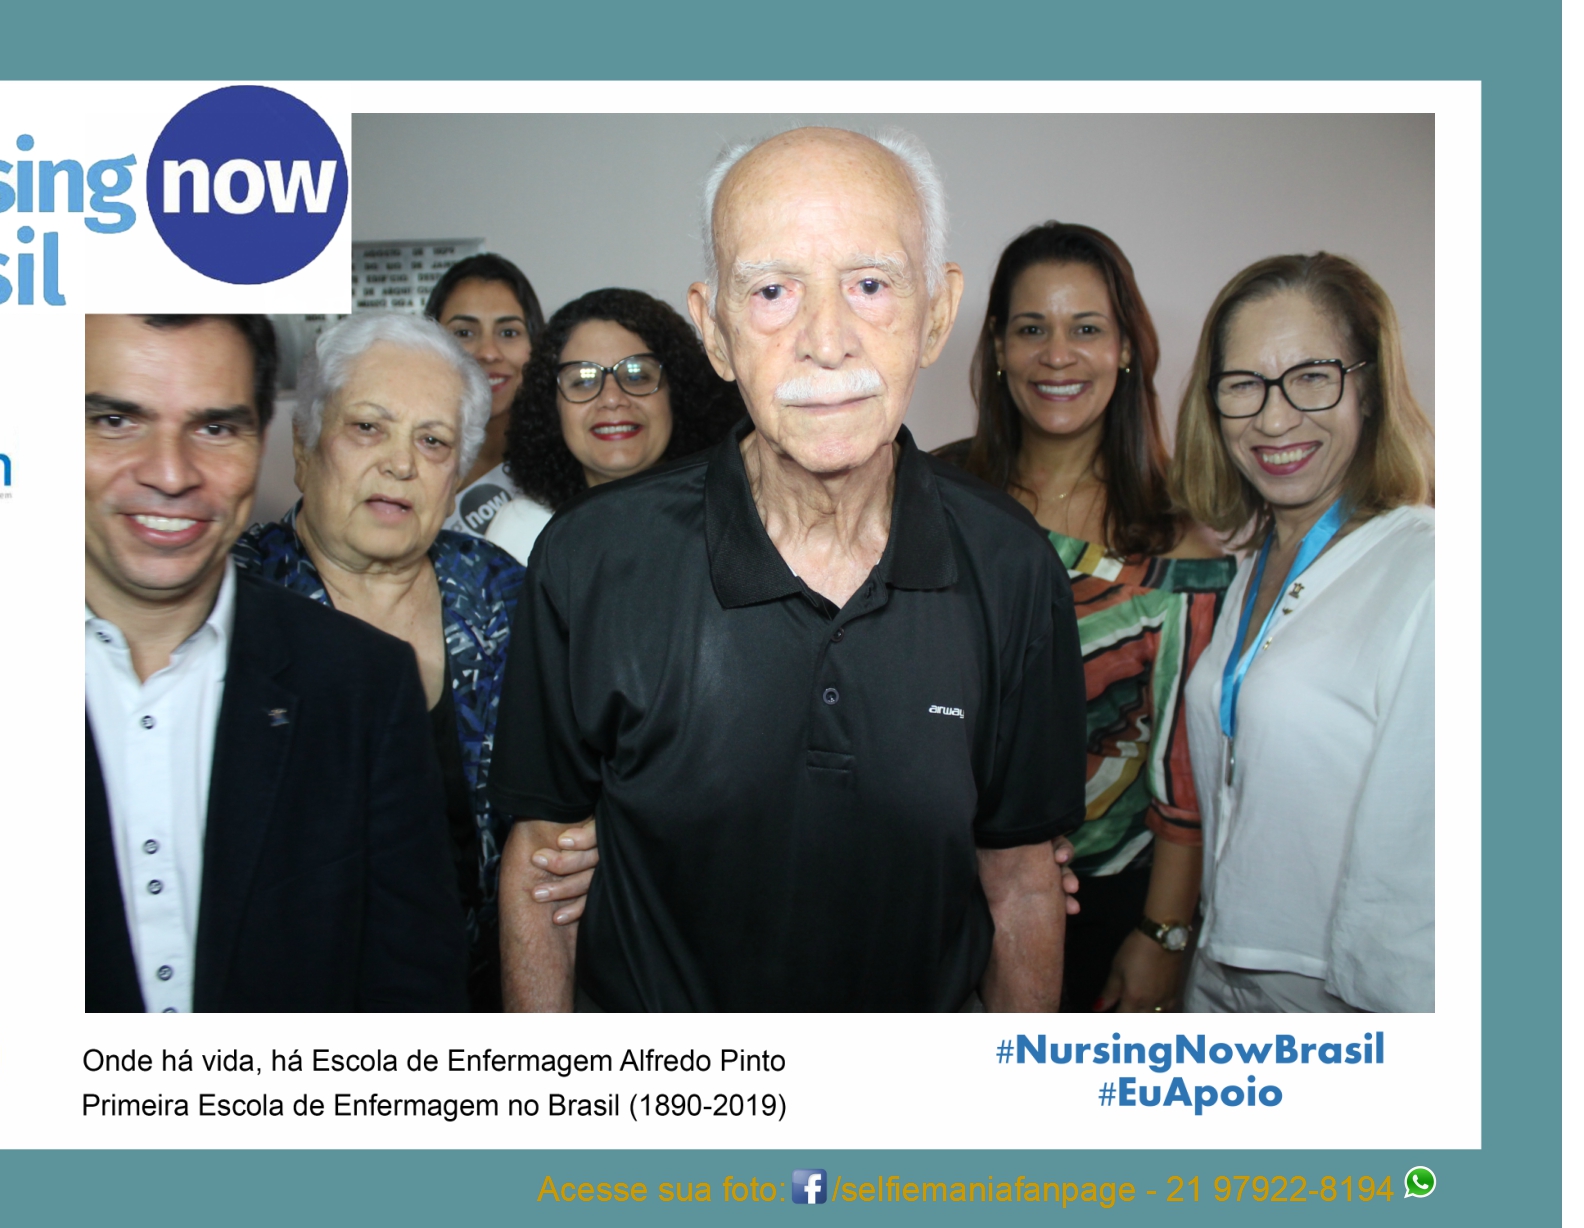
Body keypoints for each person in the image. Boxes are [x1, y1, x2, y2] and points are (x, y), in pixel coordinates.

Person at [491, 127, 1086, 1012]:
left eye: (870, 284)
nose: (827, 341)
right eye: (772, 290)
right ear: (714, 331)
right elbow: (543, 873)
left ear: (935, 312)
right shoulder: (591, 562)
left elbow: (1024, 888)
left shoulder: (1012, 566)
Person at [84, 314, 466, 1012]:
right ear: (303, 446)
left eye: (215, 427)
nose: (169, 473)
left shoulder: (368, 680)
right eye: (115, 421)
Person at [931, 223, 1235, 1013]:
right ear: (999, 348)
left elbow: (1185, 771)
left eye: (1087, 329)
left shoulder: (1177, 545)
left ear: (1126, 348)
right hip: (927, 893)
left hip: (1101, 909)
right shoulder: (932, 495)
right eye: (1032, 329)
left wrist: (1162, 934)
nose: (1057, 356)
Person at [234, 312, 526, 1011]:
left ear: (456, 473)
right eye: (368, 427)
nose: (401, 464)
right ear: (304, 448)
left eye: (433, 441)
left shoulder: (500, 594)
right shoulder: (238, 601)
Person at [1172, 253, 1435, 1013]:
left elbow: (1425, 858)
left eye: (1312, 376)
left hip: (1346, 997)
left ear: (1370, 389)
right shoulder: (1253, 565)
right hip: (1219, 969)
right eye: (1243, 384)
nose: (1274, 417)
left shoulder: (1429, 569)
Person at [484, 288, 744, 564]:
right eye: (583, 380)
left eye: (636, 375)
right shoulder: (520, 530)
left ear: (679, 392)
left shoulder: (737, 518)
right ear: (552, 406)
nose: (611, 399)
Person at [425, 254, 544, 538]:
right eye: (464, 332)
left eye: (508, 332)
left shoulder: (566, 460)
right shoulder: (404, 458)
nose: (488, 353)